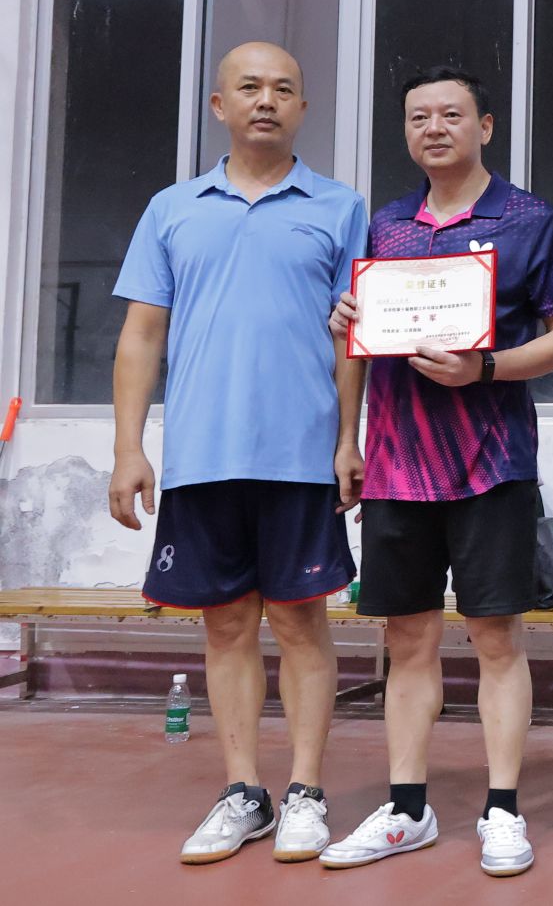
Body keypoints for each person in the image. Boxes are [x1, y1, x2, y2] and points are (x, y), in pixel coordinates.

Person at [319, 66, 553, 879]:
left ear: (485, 126)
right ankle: (408, 809)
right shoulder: (388, 225)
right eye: (418, 117)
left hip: (491, 465)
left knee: (497, 636)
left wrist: (486, 366)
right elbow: (358, 343)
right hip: (397, 465)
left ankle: (502, 808)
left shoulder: (531, 220)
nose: (434, 127)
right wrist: (347, 436)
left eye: (451, 114)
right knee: (406, 639)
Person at [109, 42, 367, 867]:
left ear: (302, 108)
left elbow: (353, 339)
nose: (267, 100)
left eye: (284, 88)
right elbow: (141, 334)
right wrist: (128, 447)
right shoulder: (172, 209)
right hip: (202, 453)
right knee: (225, 623)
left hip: (300, 454)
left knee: (300, 619)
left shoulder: (340, 207)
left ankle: (306, 791)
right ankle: (243, 790)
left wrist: (348, 438)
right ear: (219, 105)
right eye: (249, 87)